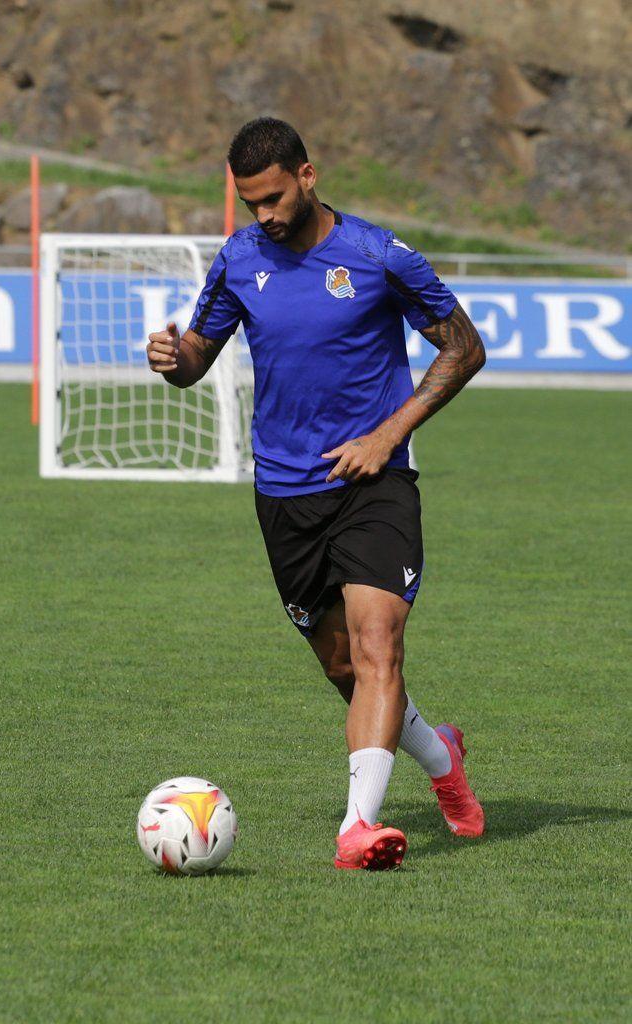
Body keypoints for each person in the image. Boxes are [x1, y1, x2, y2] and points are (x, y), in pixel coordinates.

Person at [147, 117, 487, 871]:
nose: (263, 215)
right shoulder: (239, 259)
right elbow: (198, 358)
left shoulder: (374, 252)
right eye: (249, 202)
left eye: (272, 197)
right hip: (284, 492)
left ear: (307, 175)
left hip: (375, 482)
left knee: (377, 649)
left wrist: (387, 435)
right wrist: (171, 359)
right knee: (343, 668)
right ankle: (442, 759)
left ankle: (356, 829)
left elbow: (465, 348)